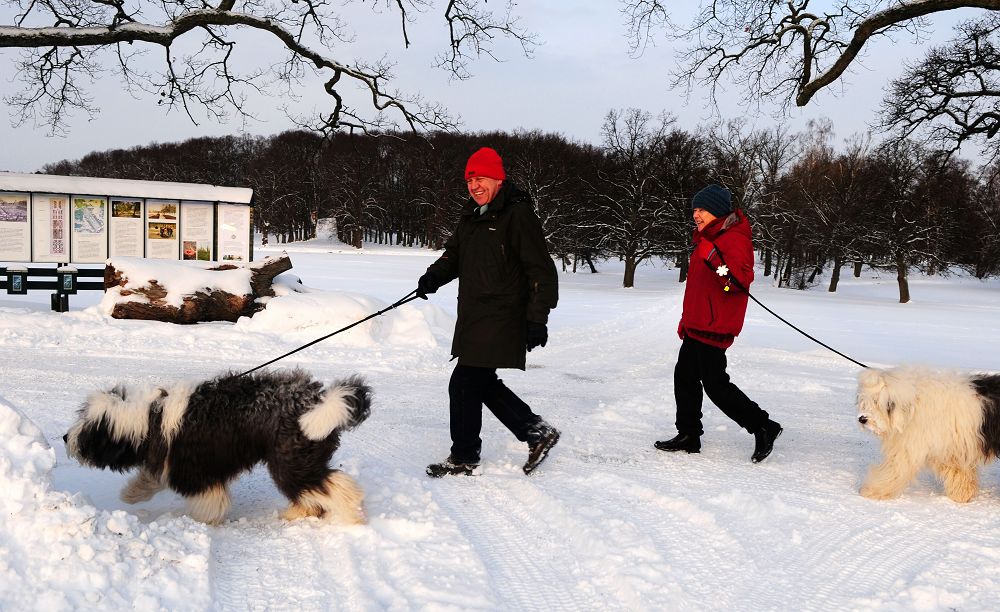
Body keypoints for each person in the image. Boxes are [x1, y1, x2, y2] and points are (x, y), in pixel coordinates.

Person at [415, 147, 561, 477]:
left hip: (504, 314)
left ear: (498, 179)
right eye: (469, 180)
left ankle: (465, 456)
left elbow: (541, 271)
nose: (474, 185)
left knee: (465, 382)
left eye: (480, 178)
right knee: (478, 382)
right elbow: (453, 255)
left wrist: (538, 318)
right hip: (474, 314)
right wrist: (432, 277)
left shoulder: (517, 214)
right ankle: (534, 431)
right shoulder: (471, 216)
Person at [655, 184, 782, 463]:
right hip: (698, 324)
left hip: (715, 325)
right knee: (685, 378)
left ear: (716, 211)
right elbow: (700, 289)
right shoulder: (709, 239)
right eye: (694, 210)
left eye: (701, 210)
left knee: (715, 384)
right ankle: (689, 433)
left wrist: (712, 257)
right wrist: (686, 321)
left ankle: (763, 425)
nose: (696, 215)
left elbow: (735, 282)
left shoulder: (733, 239)